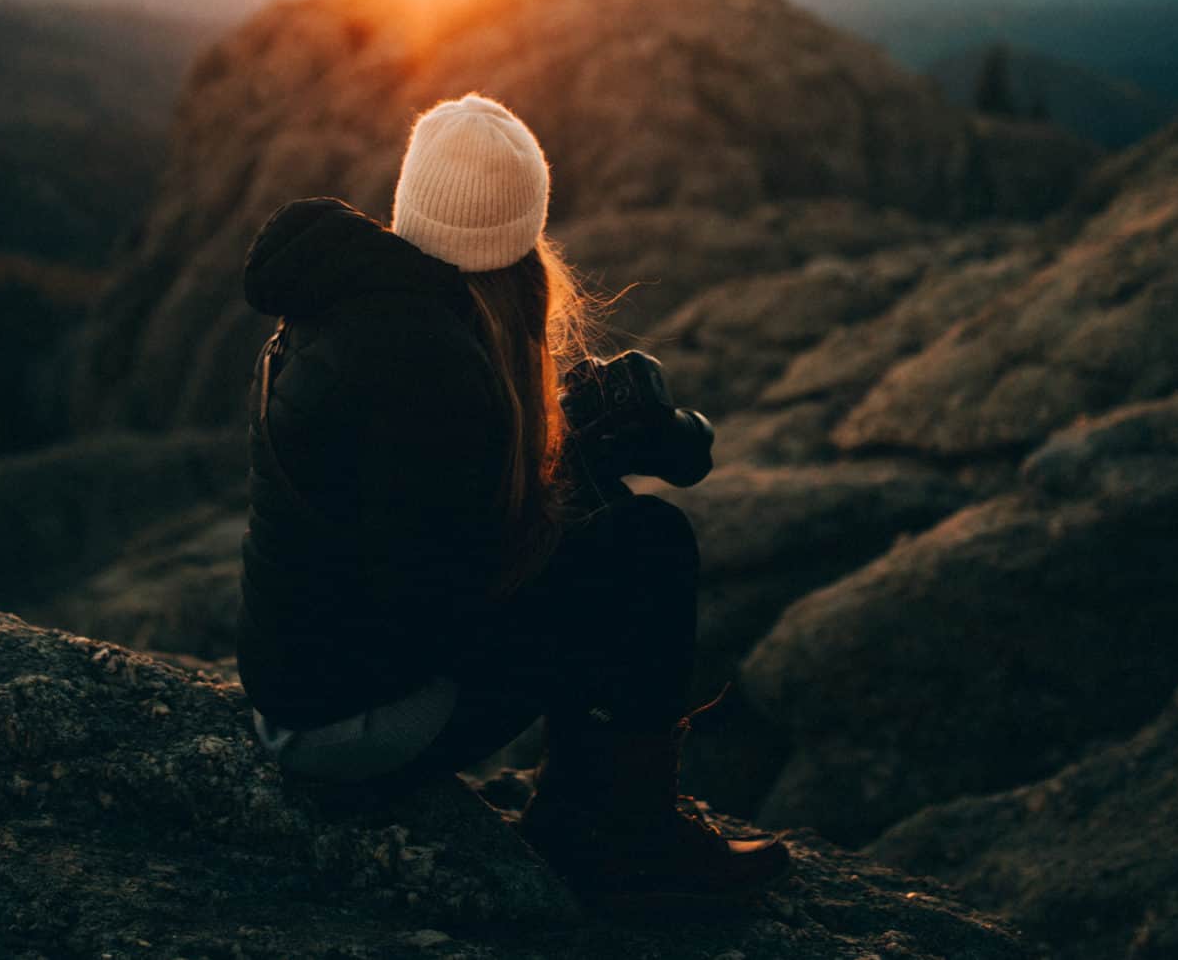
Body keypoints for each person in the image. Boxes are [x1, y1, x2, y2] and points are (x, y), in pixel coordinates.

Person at [235, 92, 791, 908]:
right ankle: (625, 836)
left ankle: (580, 811)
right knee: (650, 544)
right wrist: (575, 502)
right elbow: (439, 602)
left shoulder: (364, 310)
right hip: (348, 726)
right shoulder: (435, 370)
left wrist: (570, 459)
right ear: (521, 237)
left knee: (604, 528)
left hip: (309, 688)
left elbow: (414, 534)